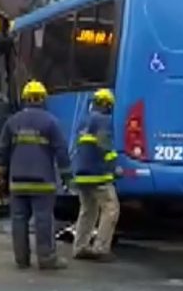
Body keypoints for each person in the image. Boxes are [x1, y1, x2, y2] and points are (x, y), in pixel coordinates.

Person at [0, 80, 71, 270]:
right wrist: (66, 176)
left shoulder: (12, 122)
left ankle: (21, 259)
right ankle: (46, 259)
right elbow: (61, 151)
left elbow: (2, 151)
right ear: (43, 99)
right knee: (43, 219)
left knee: (19, 220)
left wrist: (2, 176)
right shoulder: (51, 122)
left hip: (17, 182)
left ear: (25, 99)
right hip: (43, 183)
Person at [71, 88, 120, 262]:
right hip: (98, 174)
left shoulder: (83, 120)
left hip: (81, 174)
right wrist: (114, 167)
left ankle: (80, 247)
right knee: (111, 209)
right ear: (107, 105)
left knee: (87, 211)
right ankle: (101, 248)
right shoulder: (103, 120)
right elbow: (105, 146)